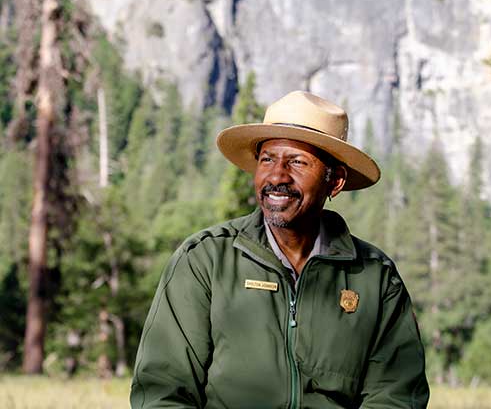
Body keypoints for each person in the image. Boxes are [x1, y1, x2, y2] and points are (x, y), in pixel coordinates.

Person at [130, 91, 430, 408]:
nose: (277, 176)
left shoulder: (374, 277)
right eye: (267, 159)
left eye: (298, 162)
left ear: (335, 181)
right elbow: (162, 391)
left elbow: (396, 396)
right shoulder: (205, 260)